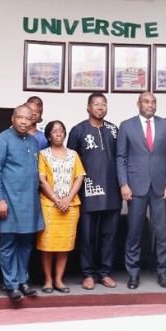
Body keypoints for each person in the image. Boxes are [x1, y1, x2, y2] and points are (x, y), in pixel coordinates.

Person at [116, 92, 166, 289]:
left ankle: (163, 272)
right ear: (138, 104)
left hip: (160, 187)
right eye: (146, 102)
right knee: (134, 232)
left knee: (163, 232)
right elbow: (121, 157)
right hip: (135, 186)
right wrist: (123, 184)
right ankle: (133, 273)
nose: (150, 105)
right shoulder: (127, 125)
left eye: (153, 102)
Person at [0, 105, 44, 301]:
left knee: (26, 243)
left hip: (29, 201)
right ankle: (10, 284)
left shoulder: (34, 141)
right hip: (9, 200)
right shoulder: (1, 140)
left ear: (32, 120)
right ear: (13, 118)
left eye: (27, 118)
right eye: (19, 117)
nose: (23, 121)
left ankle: (23, 280)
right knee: (8, 243)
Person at [67, 93, 121, 290]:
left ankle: (104, 272)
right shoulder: (78, 130)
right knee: (87, 235)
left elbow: (121, 158)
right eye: (96, 104)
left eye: (103, 104)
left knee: (109, 234)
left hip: (112, 191)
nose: (100, 107)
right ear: (88, 108)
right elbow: (71, 161)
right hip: (87, 191)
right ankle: (88, 273)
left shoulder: (114, 130)